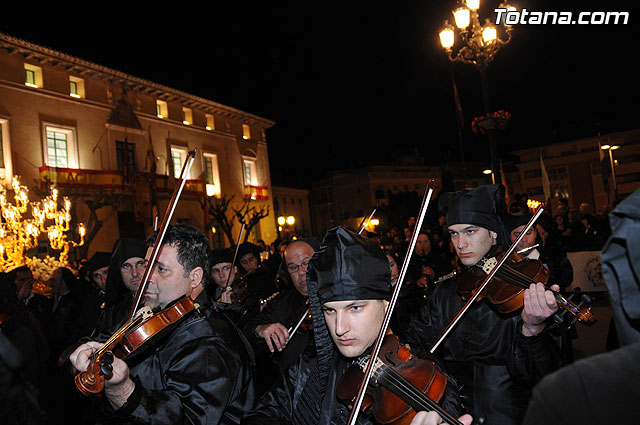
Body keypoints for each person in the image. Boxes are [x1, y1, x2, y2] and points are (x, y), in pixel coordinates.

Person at [242, 226, 471, 425]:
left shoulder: (425, 375)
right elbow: (261, 414)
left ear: (385, 305)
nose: (340, 328)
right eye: (330, 310)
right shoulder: (310, 364)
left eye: (355, 308)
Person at [403, 184, 562, 425]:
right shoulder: (444, 292)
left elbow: (546, 374)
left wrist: (533, 331)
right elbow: (415, 342)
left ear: (493, 233)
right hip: (452, 415)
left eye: (470, 232)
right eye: (454, 233)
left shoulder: (521, 289)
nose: (460, 244)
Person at [69, 224, 255, 424]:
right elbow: (103, 340)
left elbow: (189, 419)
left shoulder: (209, 342)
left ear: (195, 277)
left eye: (161, 269)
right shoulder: (151, 315)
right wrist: (85, 354)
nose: (145, 277)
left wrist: (123, 391)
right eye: (146, 265)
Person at [521, 188, 640, 425]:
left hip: (556, 321)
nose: (523, 239)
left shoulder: (553, 252)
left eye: (533, 233)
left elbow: (566, 276)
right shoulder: (573, 393)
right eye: (516, 234)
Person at [242, 238, 318, 396]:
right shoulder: (284, 300)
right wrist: (260, 329)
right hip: (290, 393)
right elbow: (247, 327)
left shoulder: (339, 299)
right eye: (293, 267)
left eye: (306, 263)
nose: (301, 272)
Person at [209, 248, 259, 322]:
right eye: (216, 271)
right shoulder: (208, 295)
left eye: (226, 268)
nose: (221, 275)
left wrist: (231, 311)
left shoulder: (248, 294)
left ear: (235, 269)